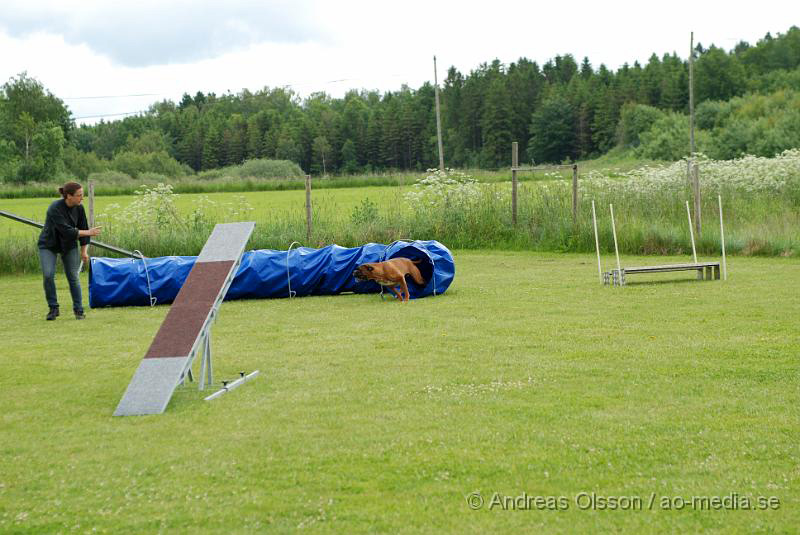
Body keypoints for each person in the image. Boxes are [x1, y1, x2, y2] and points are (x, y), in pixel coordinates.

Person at [37, 182, 102, 320]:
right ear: (68, 196)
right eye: (79, 195)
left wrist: (84, 251)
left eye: (82, 195)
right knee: (48, 275)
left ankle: (78, 310)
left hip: (69, 245)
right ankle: (53, 308)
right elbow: (67, 231)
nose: (81, 198)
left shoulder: (79, 208)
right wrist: (89, 232)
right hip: (49, 244)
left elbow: (83, 229)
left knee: (73, 276)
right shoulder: (55, 208)